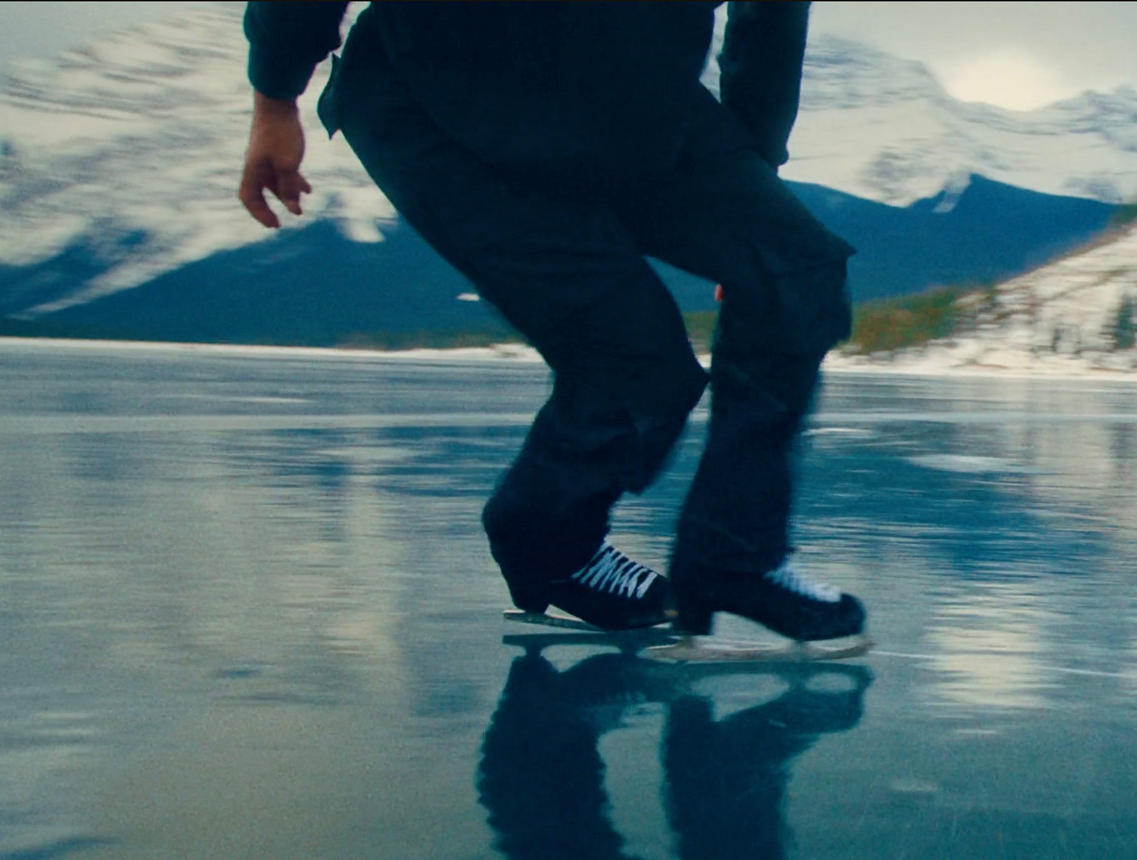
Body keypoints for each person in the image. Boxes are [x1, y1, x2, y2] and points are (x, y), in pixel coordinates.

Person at [238, 2, 866, 643]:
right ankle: (547, 546)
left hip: (631, 104)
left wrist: (751, 200)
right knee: (632, 353)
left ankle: (735, 557)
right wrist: (275, 96)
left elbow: (770, 15)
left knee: (794, 272)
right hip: (438, 97)